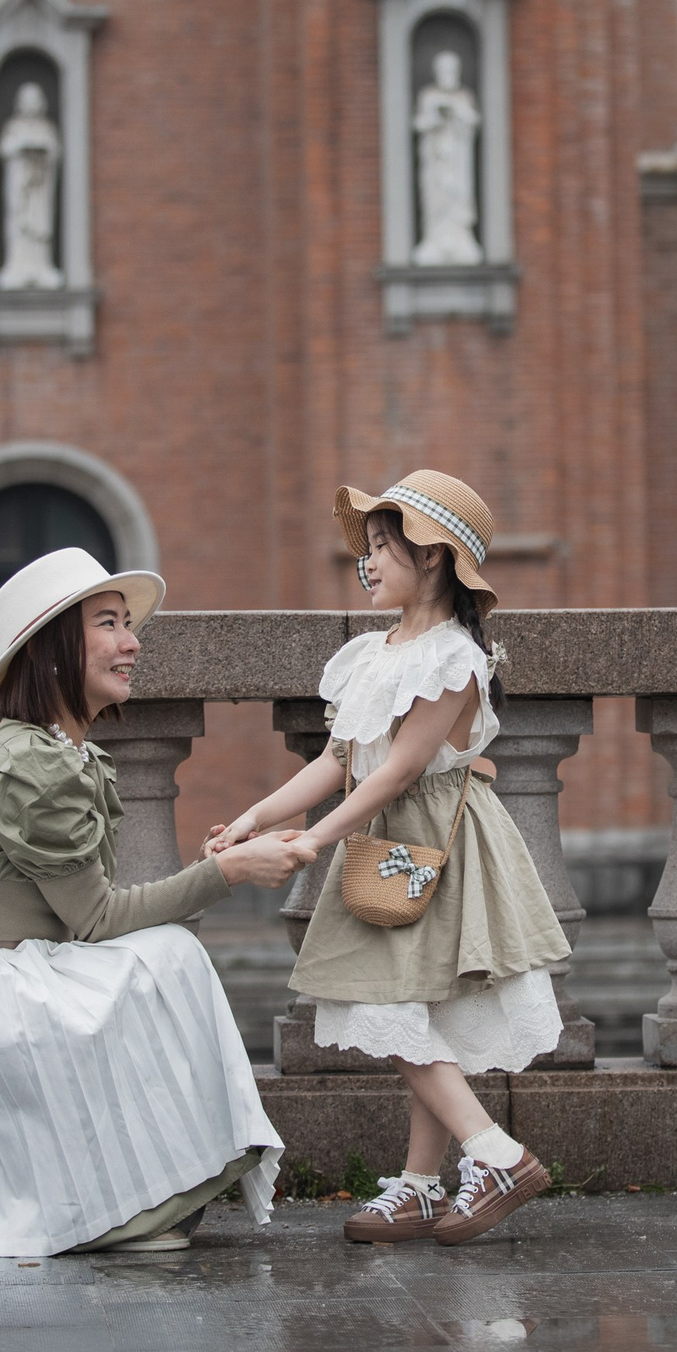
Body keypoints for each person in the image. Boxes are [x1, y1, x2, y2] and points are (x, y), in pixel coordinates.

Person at [0, 548, 313, 1257]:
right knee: (170, 958)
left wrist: (217, 864)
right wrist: (229, 874)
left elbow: (85, 912)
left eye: (128, 624)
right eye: (109, 623)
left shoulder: (52, 750)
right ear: (54, 650)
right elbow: (94, 918)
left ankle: (133, 1197)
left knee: (164, 958)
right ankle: (122, 1209)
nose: (132, 642)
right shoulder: (34, 764)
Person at [208, 472, 569, 1246]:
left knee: (383, 1002)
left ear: (433, 557)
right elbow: (340, 758)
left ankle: (494, 1152)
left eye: (382, 546)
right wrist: (257, 815)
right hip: (389, 838)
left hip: (434, 840)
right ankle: (419, 1184)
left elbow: (401, 769)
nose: (367, 562)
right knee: (414, 1009)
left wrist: (314, 838)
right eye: (366, 548)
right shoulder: (372, 653)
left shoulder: (453, 657)